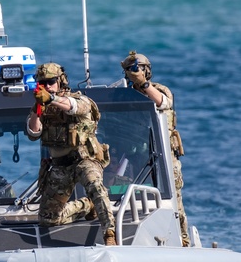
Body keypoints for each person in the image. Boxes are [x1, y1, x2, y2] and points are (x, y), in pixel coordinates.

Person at [26, 62, 117, 245]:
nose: (48, 86)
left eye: (51, 82)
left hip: (85, 159)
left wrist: (51, 99)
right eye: (43, 83)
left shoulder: (78, 99)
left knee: (96, 187)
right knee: (48, 218)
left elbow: (74, 107)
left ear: (61, 81)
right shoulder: (42, 106)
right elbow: (33, 133)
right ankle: (85, 206)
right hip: (61, 165)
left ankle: (109, 232)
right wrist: (37, 110)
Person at [121, 50, 189, 246]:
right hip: (136, 156)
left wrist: (143, 84)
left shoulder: (159, 90)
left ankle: (182, 240)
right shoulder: (125, 94)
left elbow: (163, 102)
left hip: (164, 157)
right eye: (131, 70)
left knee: (174, 203)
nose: (134, 73)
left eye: (138, 69)